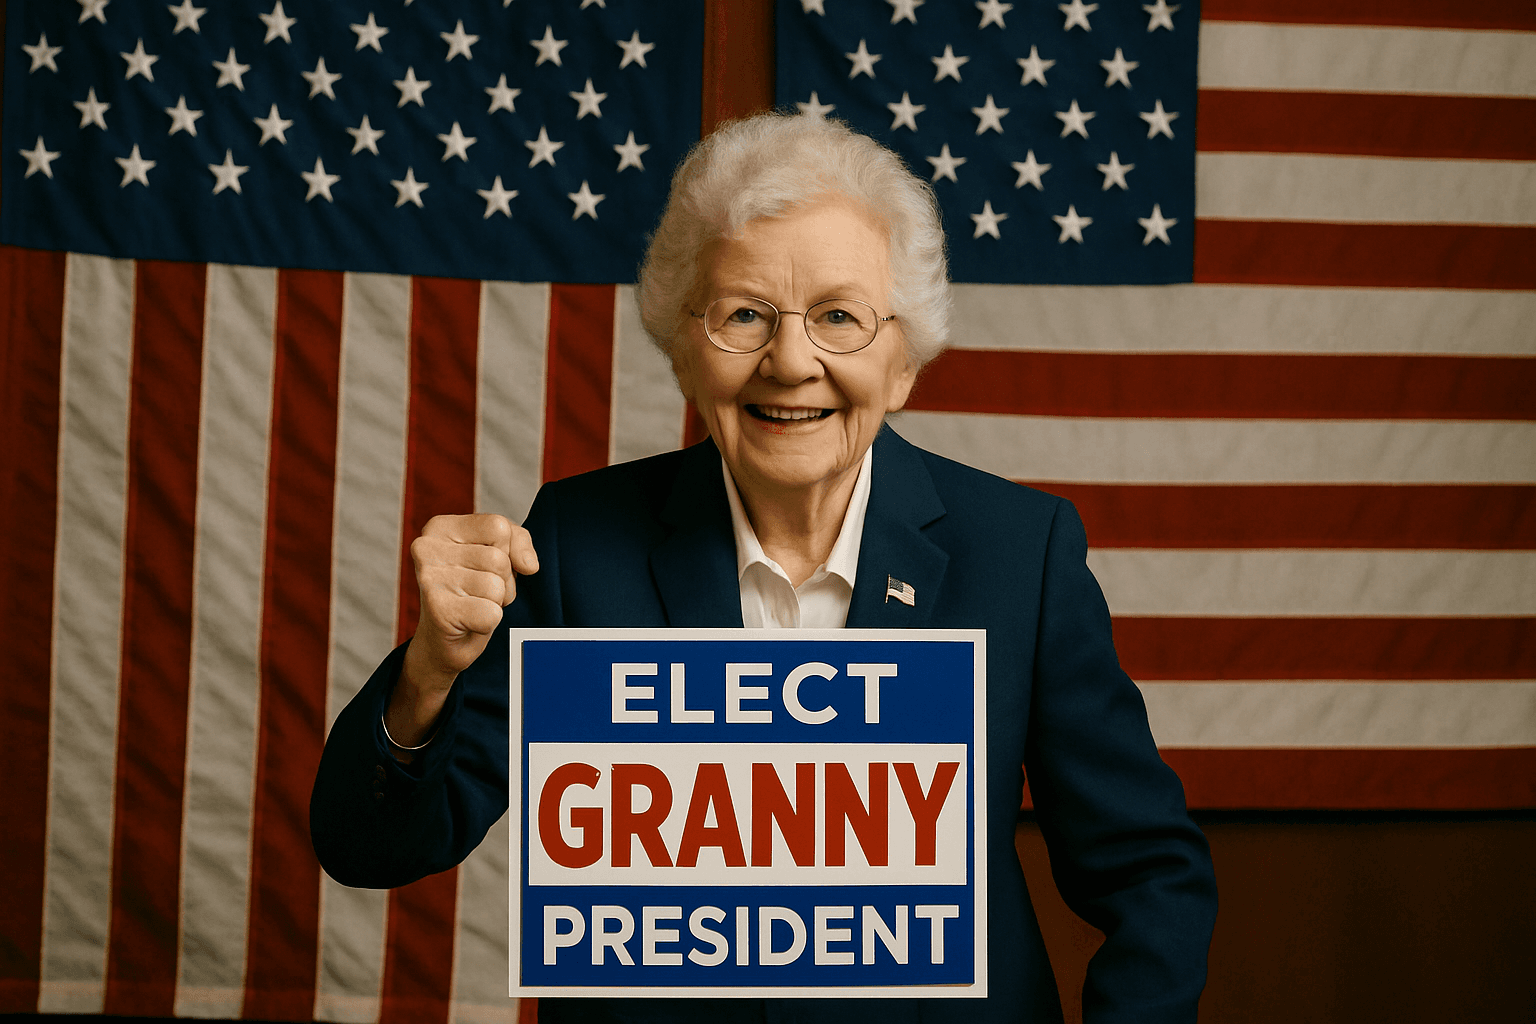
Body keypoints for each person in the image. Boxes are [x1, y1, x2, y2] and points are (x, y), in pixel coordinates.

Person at [312, 112, 1217, 1023]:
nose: (790, 362)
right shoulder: (580, 547)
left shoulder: (1021, 554)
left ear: (903, 363)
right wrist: (431, 671)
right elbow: (369, 846)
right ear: (684, 350)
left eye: (839, 317)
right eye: (744, 314)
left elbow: (1151, 876)